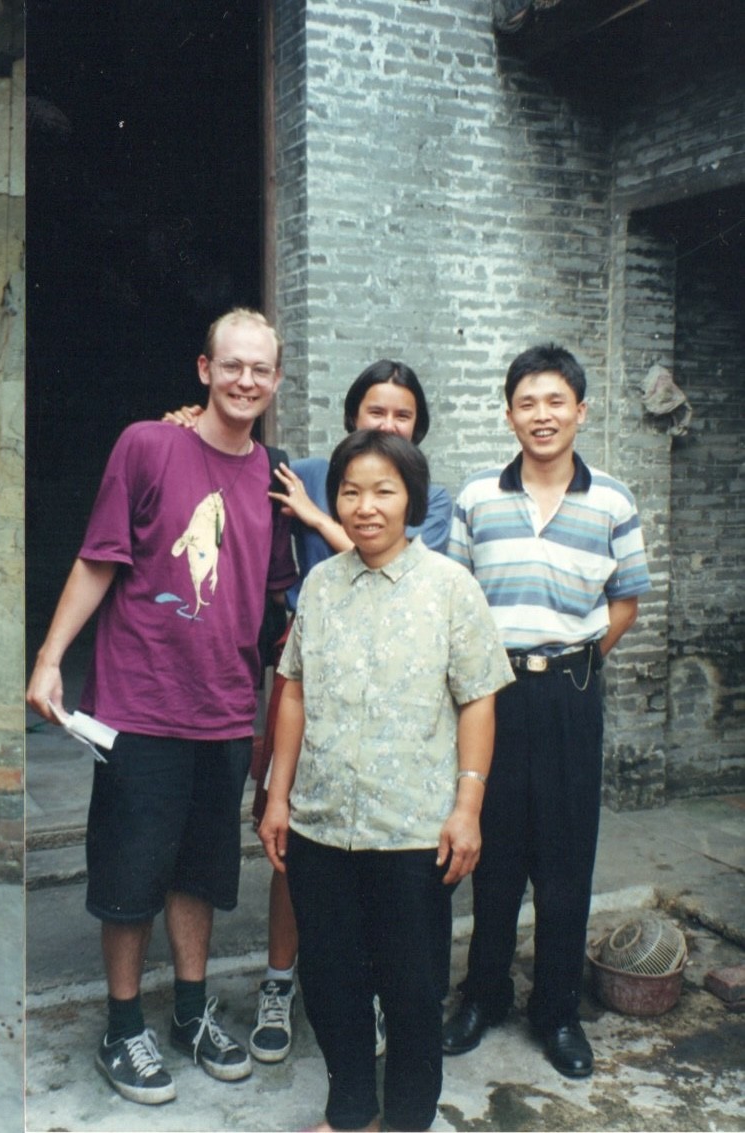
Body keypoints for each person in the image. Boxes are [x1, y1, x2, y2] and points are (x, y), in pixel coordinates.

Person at [25, 308, 298, 1105]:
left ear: (277, 381)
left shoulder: (273, 477)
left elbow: (281, 601)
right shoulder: (147, 444)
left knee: (200, 875)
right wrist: (47, 660)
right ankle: (120, 1024)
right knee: (128, 874)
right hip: (140, 704)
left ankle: (186, 1010)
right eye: (232, 364)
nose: (246, 379)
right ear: (203, 369)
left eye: (261, 368)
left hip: (222, 712)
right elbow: (96, 560)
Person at [199, 359, 455, 1064]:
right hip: (306, 671)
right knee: (295, 839)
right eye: (375, 410)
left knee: (376, 848)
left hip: (395, 688)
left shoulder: (425, 493)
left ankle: (370, 992)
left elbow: (388, 560)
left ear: (417, 429)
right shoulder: (304, 468)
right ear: (350, 416)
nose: (386, 423)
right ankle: (280, 980)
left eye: (402, 414)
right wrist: (183, 423)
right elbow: (225, 459)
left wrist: (315, 518)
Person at [257, 428, 512, 1132]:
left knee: (410, 988)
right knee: (332, 982)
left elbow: (477, 699)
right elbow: (294, 691)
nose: (364, 506)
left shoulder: (449, 588)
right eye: (349, 491)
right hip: (320, 821)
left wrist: (468, 807)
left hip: (411, 830)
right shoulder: (319, 584)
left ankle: (403, 1119)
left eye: (382, 490)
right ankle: (348, 1112)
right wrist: (278, 797)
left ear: (410, 500)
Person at [440, 344, 650, 1080]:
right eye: (526, 402)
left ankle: (556, 1009)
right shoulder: (475, 499)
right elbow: (456, 599)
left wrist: (581, 656)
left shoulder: (612, 501)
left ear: (579, 411)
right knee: (491, 852)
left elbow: (623, 601)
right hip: (491, 694)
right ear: (507, 414)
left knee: (564, 857)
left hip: (569, 693)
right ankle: (483, 993)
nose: (541, 415)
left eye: (554, 401)